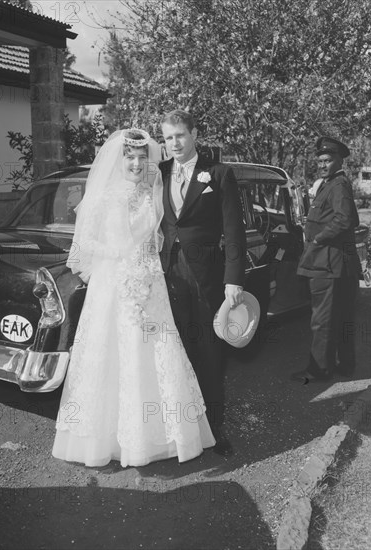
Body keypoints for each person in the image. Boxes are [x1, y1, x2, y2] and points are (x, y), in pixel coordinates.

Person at [53, 129, 216, 468]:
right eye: (130, 157)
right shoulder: (101, 197)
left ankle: (158, 437)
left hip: (150, 284)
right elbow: (83, 246)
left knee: (155, 352)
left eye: (143, 158)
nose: (137, 163)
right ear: (119, 159)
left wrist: (145, 261)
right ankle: (105, 439)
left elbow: (161, 237)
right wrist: (118, 254)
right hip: (112, 285)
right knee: (109, 354)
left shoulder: (154, 193)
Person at [159, 110, 247, 454]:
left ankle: (215, 427)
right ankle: (181, 427)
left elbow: (234, 229)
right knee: (175, 353)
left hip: (208, 278)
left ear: (194, 134)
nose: (174, 143)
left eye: (180, 135)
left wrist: (233, 280)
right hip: (168, 276)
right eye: (168, 138)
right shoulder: (160, 172)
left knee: (209, 353)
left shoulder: (219, 174)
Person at [292, 136, 361, 383]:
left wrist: (319, 238)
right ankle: (344, 365)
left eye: (328, 160)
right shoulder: (329, 183)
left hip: (327, 261)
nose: (322, 165)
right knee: (340, 317)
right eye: (320, 161)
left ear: (339, 160)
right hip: (331, 262)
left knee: (321, 321)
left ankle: (318, 370)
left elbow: (346, 219)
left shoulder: (338, 185)